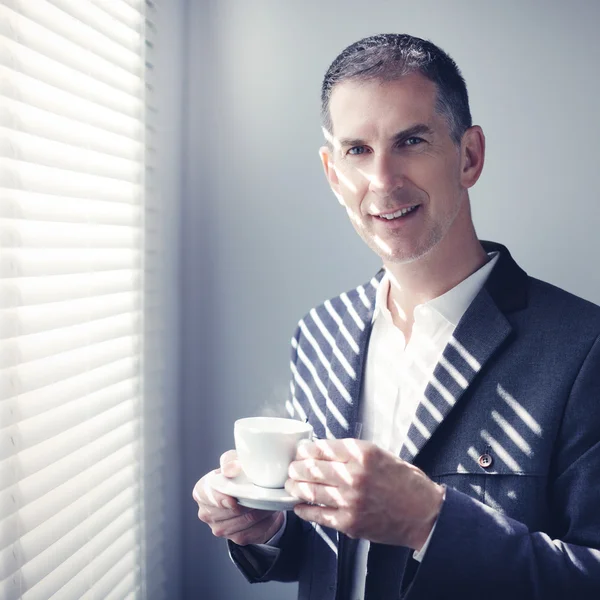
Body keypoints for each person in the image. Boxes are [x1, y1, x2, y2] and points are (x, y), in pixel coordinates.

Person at [193, 33, 600, 599]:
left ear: (469, 155)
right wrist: (268, 527)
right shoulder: (319, 335)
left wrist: (428, 521)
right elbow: (326, 555)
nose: (382, 180)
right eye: (357, 150)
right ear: (334, 174)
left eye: (410, 141)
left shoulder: (584, 350)